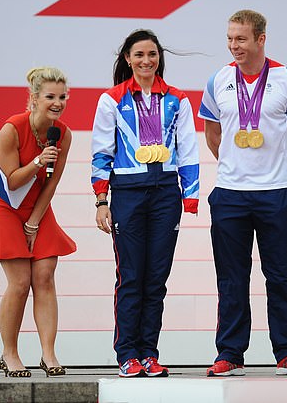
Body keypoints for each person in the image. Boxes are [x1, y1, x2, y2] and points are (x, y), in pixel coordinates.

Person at [198, 9, 287, 376]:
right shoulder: (218, 79)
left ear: (261, 39)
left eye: (241, 39)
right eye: (230, 39)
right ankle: (229, 353)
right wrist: (237, 169)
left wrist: (273, 172)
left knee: (282, 276)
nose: (234, 46)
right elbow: (213, 134)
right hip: (230, 194)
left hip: (276, 194)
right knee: (231, 278)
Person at [91, 29, 200, 378]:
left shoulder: (177, 99)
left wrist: (191, 195)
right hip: (128, 192)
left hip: (166, 193)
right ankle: (127, 353)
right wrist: (101, 201)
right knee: (131, 276)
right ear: (127, 58)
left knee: (156, 278)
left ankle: (149, 353)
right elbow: (101, 151)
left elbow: (188, 149)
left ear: (159, 58)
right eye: (139, 54)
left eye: (152, 54)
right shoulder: (112, 99)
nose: (146, 61)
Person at [0, 66, 77, 378]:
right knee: (20, 282)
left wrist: (34, 222)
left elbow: (51, 184)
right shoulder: (12, 128)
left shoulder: (63, 134)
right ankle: (9, 354)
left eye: (62, 97)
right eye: (50, 96)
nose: (58, 102)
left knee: (45, 275)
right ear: (34, 98)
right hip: (5, 205)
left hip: (36, 205)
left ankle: (48, 354)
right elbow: (10, 181)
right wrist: (38, 160)